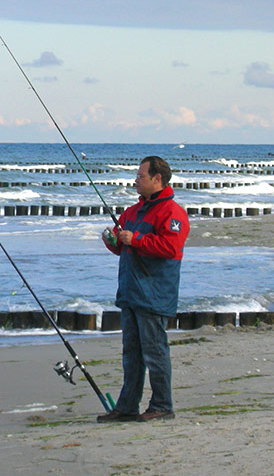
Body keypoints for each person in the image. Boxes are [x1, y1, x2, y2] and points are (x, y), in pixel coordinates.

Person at [98, 156, 190, 423]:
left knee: (155, 351)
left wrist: (135, 238)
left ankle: (162, 404)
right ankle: (127, 407)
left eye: (140, 176)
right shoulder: (132, 212)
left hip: (155, 293)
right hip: (130, 292)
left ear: (157, 179)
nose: (136, 181)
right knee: (131, 354)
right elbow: (122, 245)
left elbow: (170, 248)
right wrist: (113, 240)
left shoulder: (172, 212)